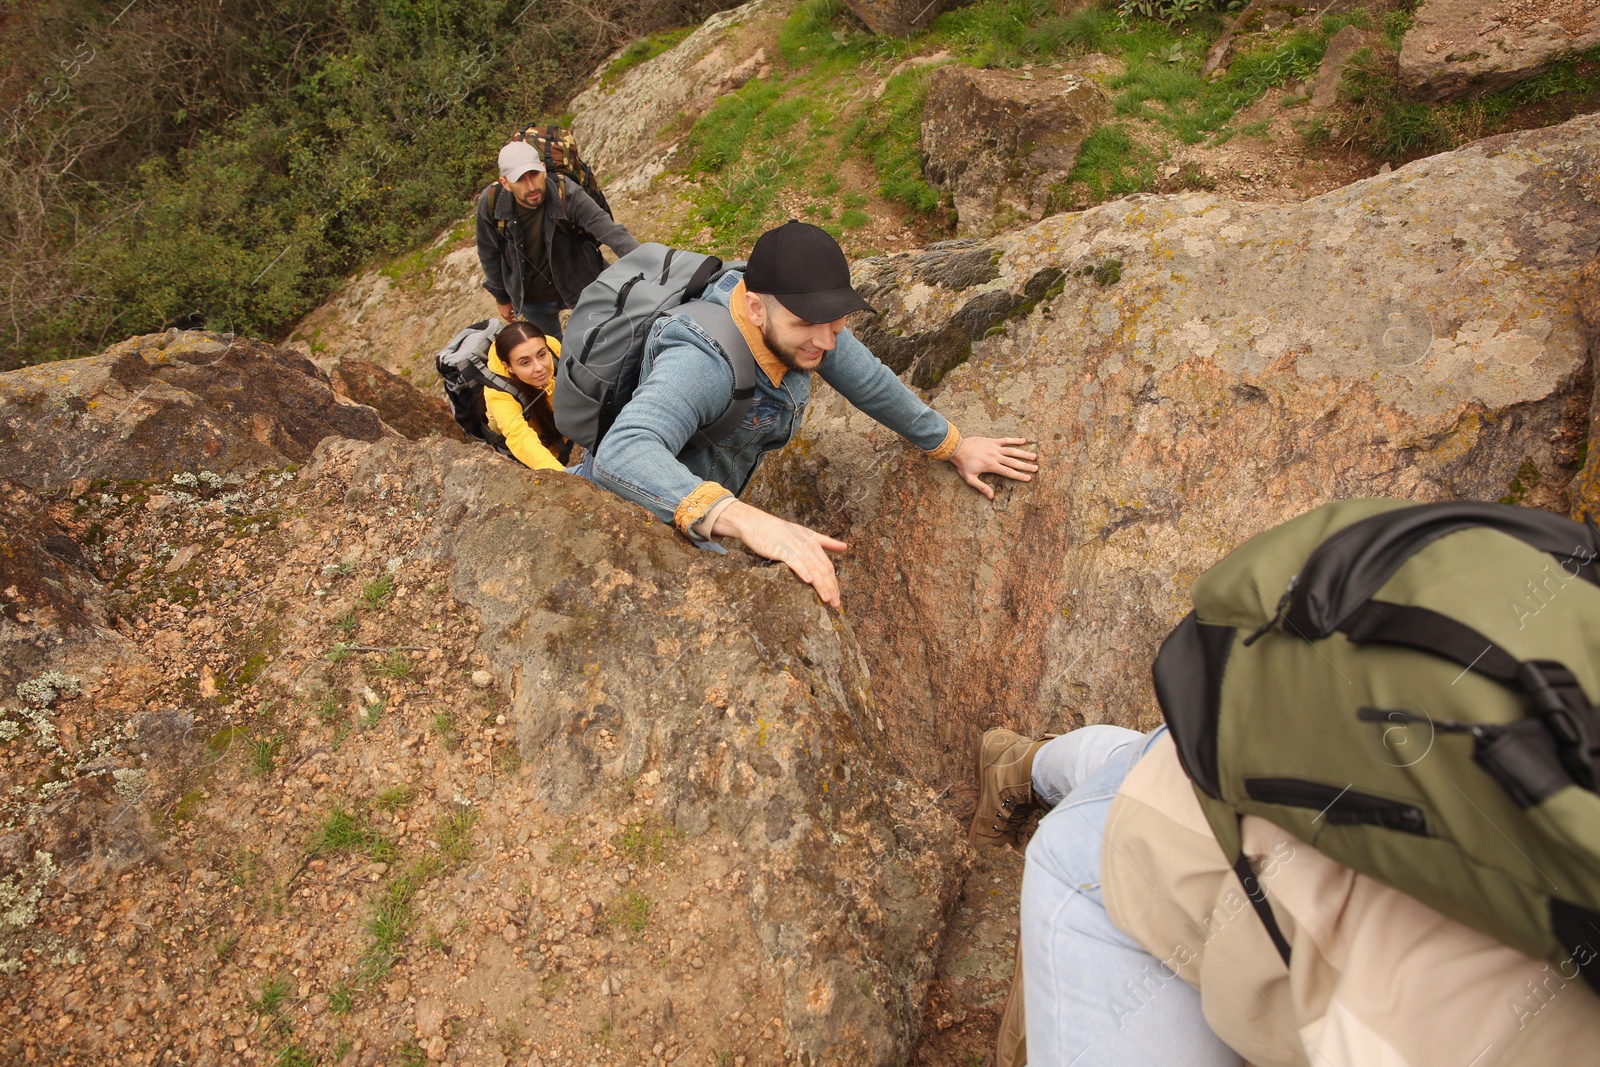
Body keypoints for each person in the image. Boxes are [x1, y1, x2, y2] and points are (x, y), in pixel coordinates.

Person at [968, 726, 1600, 1067]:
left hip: (1248, 749)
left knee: (1153, 769)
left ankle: (1026, 764)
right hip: (1123, 876)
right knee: (1135, 812)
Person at [586, 220, 1039, 608]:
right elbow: (624, 450)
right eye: (808, 323)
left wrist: (953, 445)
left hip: (700, 515)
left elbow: (870, 382)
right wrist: (750, 522)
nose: (826, 342)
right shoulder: (702, 363)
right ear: (755, 306)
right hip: (632, 514)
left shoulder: (798, 319)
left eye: (835, 321)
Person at [475, 141, 639, 341]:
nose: (531, 186)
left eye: (534, 175)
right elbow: (489, 253)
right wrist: (502, 297)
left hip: (582, 282)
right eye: (520, 180)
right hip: (532, 298)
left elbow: (611, 232)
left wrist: (652, 262)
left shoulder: (567, 194)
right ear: (505, 183)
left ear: (543, 170)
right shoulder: (491, 204)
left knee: (612, 336)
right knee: (552, 348)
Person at [483, 320, 570, 471]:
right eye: (525, 363)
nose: (539, 367)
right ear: (508, 367)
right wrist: (564, 476)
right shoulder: (498, 395)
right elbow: (520, 438)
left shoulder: (550, 345)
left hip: (558, 422)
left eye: (541, 355)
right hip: (535, 444)